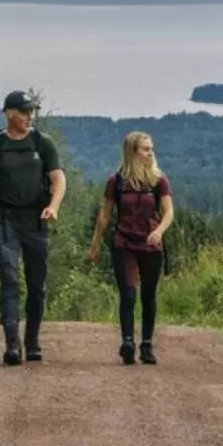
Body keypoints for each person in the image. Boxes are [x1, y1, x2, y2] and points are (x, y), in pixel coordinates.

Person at [0, 91, 65, 366]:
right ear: (9, 113)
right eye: (24, 111)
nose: (29, 117)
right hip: (5, 220)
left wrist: (54, 205)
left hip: (36, 220)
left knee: (37, 285)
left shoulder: (42, 143)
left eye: (31, 112)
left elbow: (59, 178)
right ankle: (12, 342)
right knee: (9, 279)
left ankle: (32, 339)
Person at [87, 131, 175, 365]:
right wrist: (95, 243)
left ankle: (146, 345)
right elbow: (105, 214)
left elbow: (169, 212)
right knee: (127, 293)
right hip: (124, 243)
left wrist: (158, 232)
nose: (150, 153)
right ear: (132, 152)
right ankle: (127, 341)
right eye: (145, 149)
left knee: (148, 294)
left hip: (150, 244)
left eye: (151, 149)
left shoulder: (159, 180)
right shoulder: (116, 181)